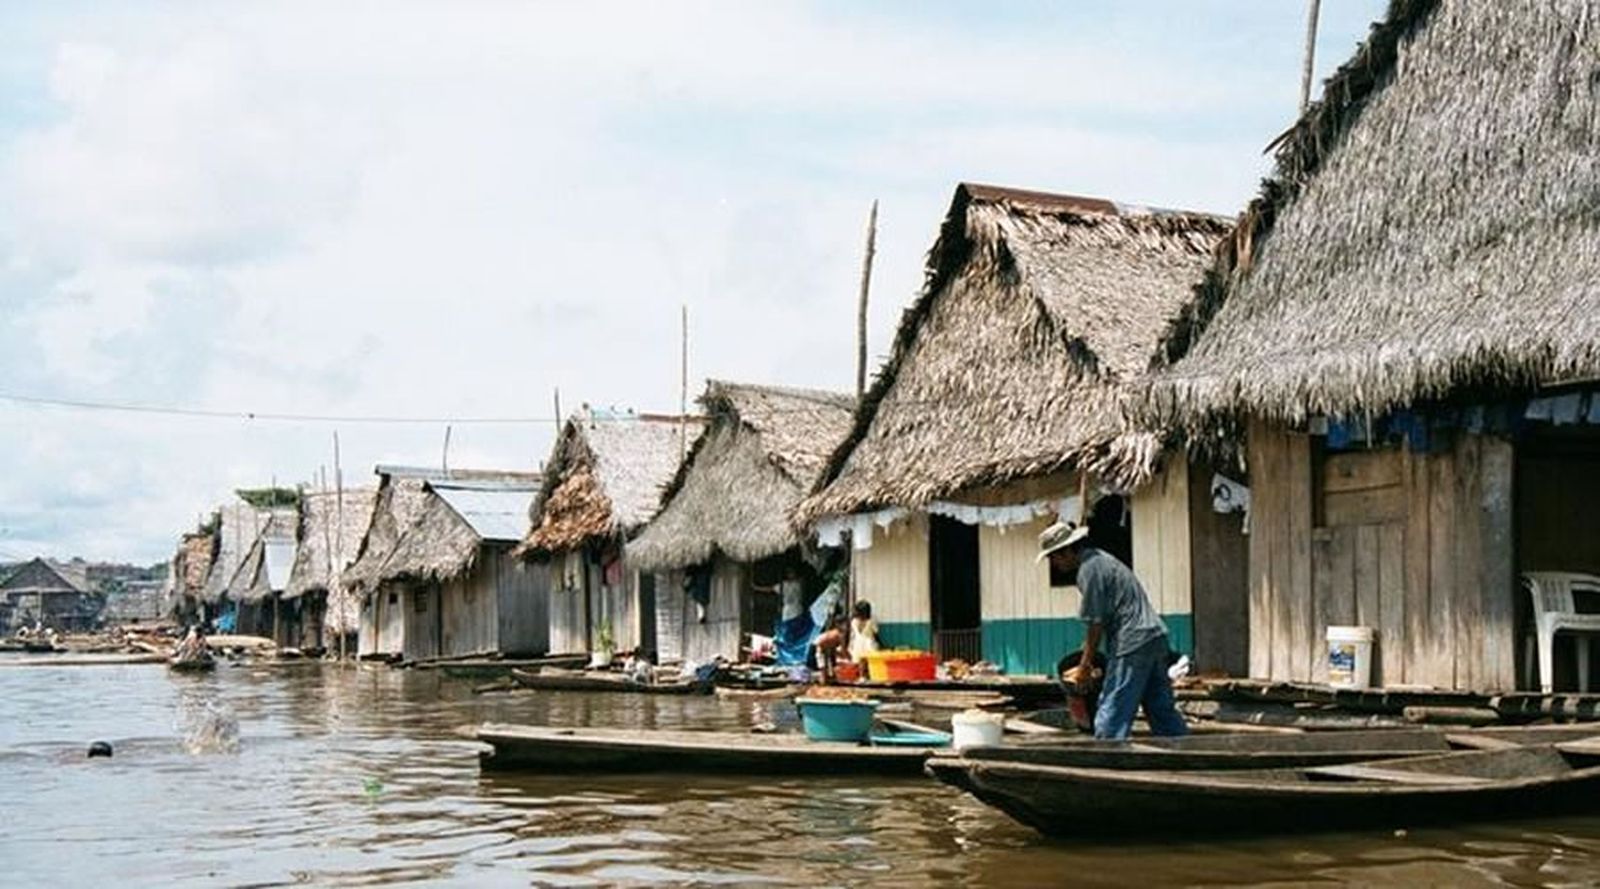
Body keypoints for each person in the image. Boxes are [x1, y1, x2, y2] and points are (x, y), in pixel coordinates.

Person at [1038, 520, 1186, 740]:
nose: (1054, 563)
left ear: (1068, 550)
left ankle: (1107, 756)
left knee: (1112, 711)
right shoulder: (1101, 560)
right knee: (1161, 708)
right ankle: (1181, 750)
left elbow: (1095, 623)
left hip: (1132, 641)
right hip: (1154, 636)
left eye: (1055, 557)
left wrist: (1085, 665)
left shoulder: (1089, 571)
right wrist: (1086, 657)